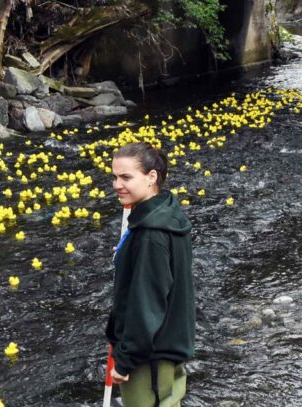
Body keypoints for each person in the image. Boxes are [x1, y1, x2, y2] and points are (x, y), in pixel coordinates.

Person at [106, 142, 195, 407]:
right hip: (166, 346)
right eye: (114, 177)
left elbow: (147, 304)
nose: (116, 185)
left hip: (149, 355)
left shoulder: (150, 234)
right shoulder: (166, 213)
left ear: (151, 177)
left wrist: (124, 360)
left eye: (126, 177)